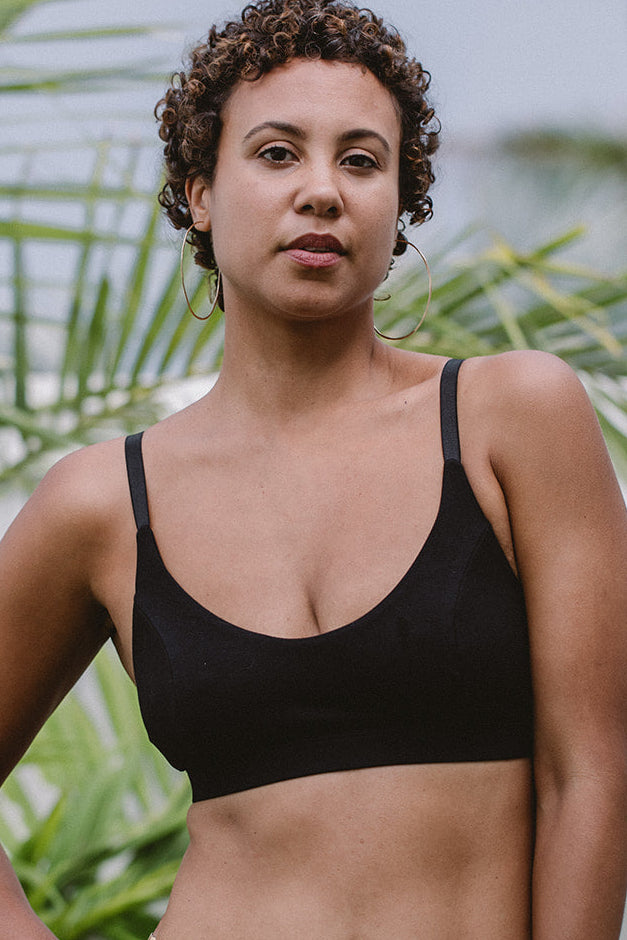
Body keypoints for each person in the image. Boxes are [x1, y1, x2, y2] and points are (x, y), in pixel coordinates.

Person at [1, 0, 626, 936]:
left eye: (362, 160)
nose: (323, 191)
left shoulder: (512, 418)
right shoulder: (101, 503)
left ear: (399, 206)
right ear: (201, 192)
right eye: (277, 153)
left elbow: (592, 773)